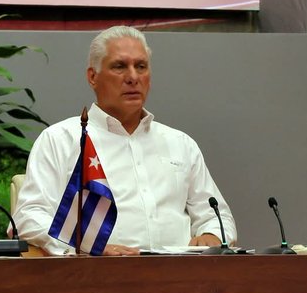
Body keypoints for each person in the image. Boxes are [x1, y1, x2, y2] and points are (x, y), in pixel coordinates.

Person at [13, 25, 236, 255]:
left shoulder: (180, 143)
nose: (133, 77)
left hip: (180, 272)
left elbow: (217, 216)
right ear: (93, 77)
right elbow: (28, 216)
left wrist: (212, 234)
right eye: (119, 66)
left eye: (141, 67)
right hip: (99, 271)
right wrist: (92, 247)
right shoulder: (61, 139)